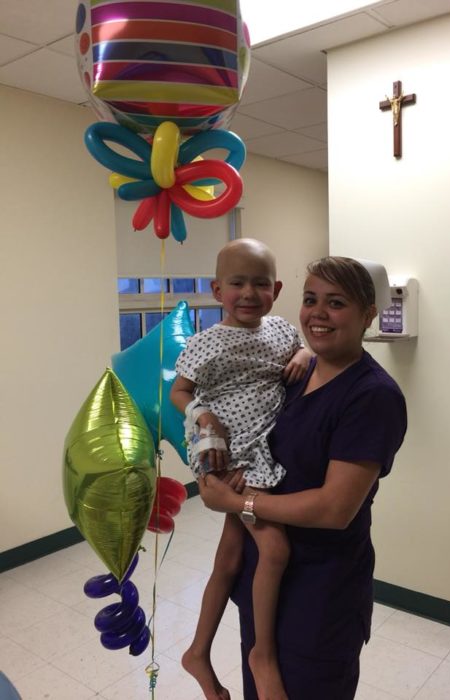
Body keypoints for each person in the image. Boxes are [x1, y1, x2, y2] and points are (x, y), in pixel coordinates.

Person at [198, 256, 408, 700]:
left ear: (369, 314)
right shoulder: (295, 372)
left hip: (320, 592)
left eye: (336, 303)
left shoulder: (373, 397)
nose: (318, 313)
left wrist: (238, 504)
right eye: (310, 300)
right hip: (263, 583)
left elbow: (334, 509)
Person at [170, 238, 312, 700]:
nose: (249, 293)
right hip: (229, 454)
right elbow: (179, 392)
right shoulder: (205, 342)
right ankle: (262, 654)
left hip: (263, 449)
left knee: (230, 558)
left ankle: (197, 652)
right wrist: (202, 418)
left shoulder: (283, 331)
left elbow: (307, 354)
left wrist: (303, 356)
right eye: (237, 283)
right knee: (274, 550)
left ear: (277, 288)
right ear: (216, 290)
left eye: (260, 283)